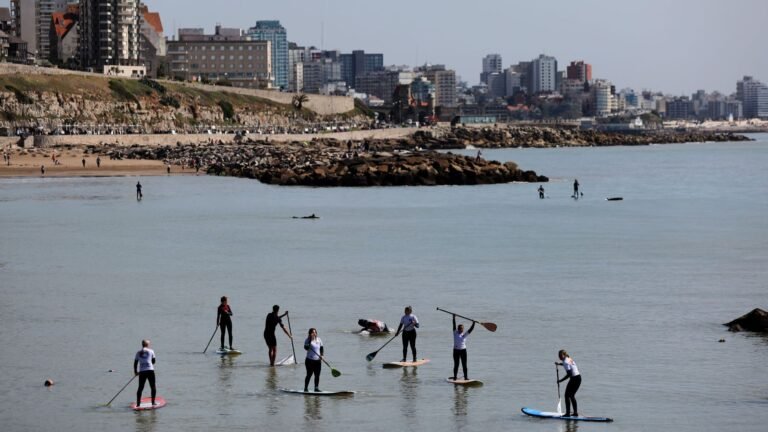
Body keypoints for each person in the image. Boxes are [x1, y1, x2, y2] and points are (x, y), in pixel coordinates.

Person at [556, 349, 581, 417]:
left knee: (567, 395)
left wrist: (560, 381)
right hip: (578, 378)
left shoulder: (566, 362)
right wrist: (559, 364)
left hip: (574, 379)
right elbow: (566, 364)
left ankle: (567, 413)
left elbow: (569, 374)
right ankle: (575, 413)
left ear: (564, 355)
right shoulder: (568, 358)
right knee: (571, 395)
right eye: (559, 356)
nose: (559, 357)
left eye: (560, 355)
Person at [134, 339, 157, 407]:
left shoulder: (138, 352)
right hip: (150, 370)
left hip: (142, 371)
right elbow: (153, 361)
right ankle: (153, 402)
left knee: (140, 387)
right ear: (147, 345)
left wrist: (135, 372)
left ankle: (138, 404)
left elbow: (135, 363)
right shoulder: (151, 351)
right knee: (153, 386)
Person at [452, 314, 475, 380]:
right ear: (458, 329)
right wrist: (454, 318)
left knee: (464, 365)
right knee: (456, 364)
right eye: (460, 329)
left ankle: (466, 377)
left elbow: (470, 330)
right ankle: (455, 377)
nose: (462, 330)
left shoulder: (464, 335)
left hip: (463, 351)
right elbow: (453, 325)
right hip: (456, 351)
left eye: (462, 329)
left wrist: (473, 324)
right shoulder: (455, 333)